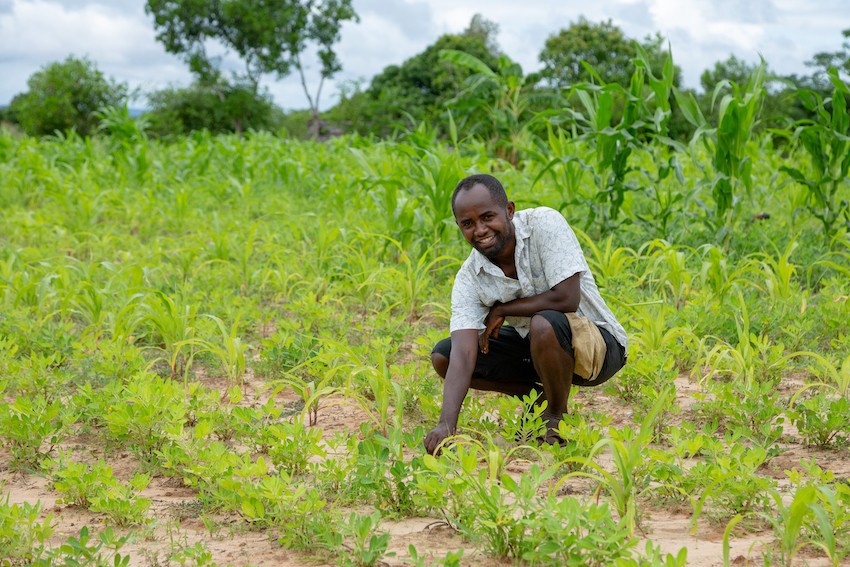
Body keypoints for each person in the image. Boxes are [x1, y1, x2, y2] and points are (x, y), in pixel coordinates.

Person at [424, 174, 627, 454]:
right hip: (540, 348)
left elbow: (567, 297)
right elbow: (463, 354)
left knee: (544, 323)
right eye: (467, 224)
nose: (480, 230)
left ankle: (556, 419)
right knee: (444, 356)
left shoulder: (543, 224)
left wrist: (504, 309)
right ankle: (539, 397)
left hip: (599, 348)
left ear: (509, 210)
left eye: (487, 217)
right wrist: (446, 424)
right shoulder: (470, 277)